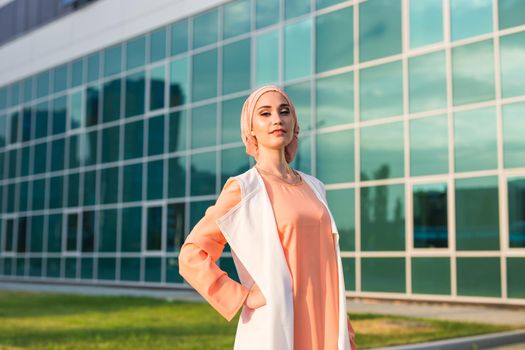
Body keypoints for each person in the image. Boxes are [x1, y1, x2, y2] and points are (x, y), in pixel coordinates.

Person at [178, 85, 357, 350]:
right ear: (250, 129)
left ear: (294, 122)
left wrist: (346, 327)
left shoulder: (315, 187)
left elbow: (327, 265)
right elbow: (191, 255)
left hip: (327, 321)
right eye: (265, 113)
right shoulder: (244, 189)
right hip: (278, 323)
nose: (277, 119)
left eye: (284, 112)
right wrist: (242, 296)